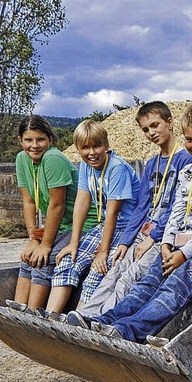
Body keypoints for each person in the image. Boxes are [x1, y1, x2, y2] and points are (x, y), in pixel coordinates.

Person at [66, 104, 192, 343]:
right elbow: (177, 209)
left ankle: (128, 330)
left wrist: (183, 253)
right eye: (190, 140)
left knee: (171, 290)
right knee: (145, 282)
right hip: (177, 240)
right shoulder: (188, 170)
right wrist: (167, 242)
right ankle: (102, 319)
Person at [77, 101, 191, 316]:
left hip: (164, 235)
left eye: (155, 125)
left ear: (170, 123)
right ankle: (86, 314)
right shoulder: (151, 164)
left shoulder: (185, 159)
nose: (151, 132)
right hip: (143, 232)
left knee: (132, 274)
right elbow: (141, 207)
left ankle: (105, 317)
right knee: (115, 268)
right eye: (146, 129)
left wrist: (153, 237)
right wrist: (125, 240)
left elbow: (179, 205)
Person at [45, 119, 140, 314]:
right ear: (78, 149)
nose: (92, 152)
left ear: (106, 145)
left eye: (96, 146)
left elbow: (113, 212)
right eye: (85, 147)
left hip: (127, 227)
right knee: (68, 261)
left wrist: (102, 252)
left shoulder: (116, 168)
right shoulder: (86, 166)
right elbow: (82, 202)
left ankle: (79, 320)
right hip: (105, 224)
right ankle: (50, 317)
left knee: (99, 270)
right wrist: (73, 242)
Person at [10, 116, 97, 312]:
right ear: (20, 140)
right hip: (62, 225)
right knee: (28, 258)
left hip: (83, 223)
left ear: (50, 140)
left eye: (40, 139)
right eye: (28, 140)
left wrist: (46, 245)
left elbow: (57, 205)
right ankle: (16, 312)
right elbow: (28, 201)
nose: (34, 145)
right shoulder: (22, 159)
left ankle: (32, 317)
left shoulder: (53, 159)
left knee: (45, 259)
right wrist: (33, 239)